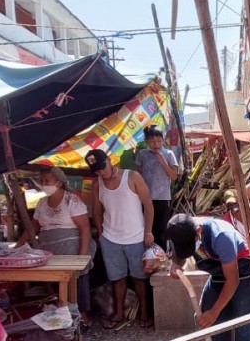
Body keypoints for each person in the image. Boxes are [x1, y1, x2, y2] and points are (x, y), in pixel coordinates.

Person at [167, 213, 250, 341]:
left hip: (243, 274)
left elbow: (232, 280)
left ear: (198, 232)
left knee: (237, 323)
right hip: (219, 274)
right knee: (201, 317)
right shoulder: (179, 230)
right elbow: (179, 253)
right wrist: (176, 265)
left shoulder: (221, 236)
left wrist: (215, 312)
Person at [19, 166, 95, 326]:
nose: (43, 183)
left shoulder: (72, 200)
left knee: (77, 281)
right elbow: (33, 228)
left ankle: (83, 317)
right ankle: (61, 318)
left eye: (47, 181)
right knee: (55, 282)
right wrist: (17, 246)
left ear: (59, 183)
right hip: (48, 249)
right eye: (42, 181)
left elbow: (85, 228)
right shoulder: (42, 203)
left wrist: (82, 256)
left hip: (71, 247)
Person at [88, 149, 155, 329]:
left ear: (110, 161)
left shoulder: (132, 177)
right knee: (117, 278)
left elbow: (148, 205)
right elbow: (96, 211)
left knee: (139, 278)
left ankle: (144, 313)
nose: (101, 173)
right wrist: (101, 233)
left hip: (136, 237)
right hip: (110, 238)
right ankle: (118, 313)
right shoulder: (97, 184)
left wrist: (148, 232)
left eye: (102, 167)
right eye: (97, 171)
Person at [136, 125, 180, 247]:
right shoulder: (142, 154)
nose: (156, 144)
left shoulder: (169, 154)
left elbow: (174, 176)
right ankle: (147, 256)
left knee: (161, 230)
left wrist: (162, 161)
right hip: (145, 197)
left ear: (163, 139)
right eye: (152, 141)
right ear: (147, 142)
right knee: (146, 228)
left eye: (159, 141)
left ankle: (161, 257)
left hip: (162, 198)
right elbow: (138, 175)